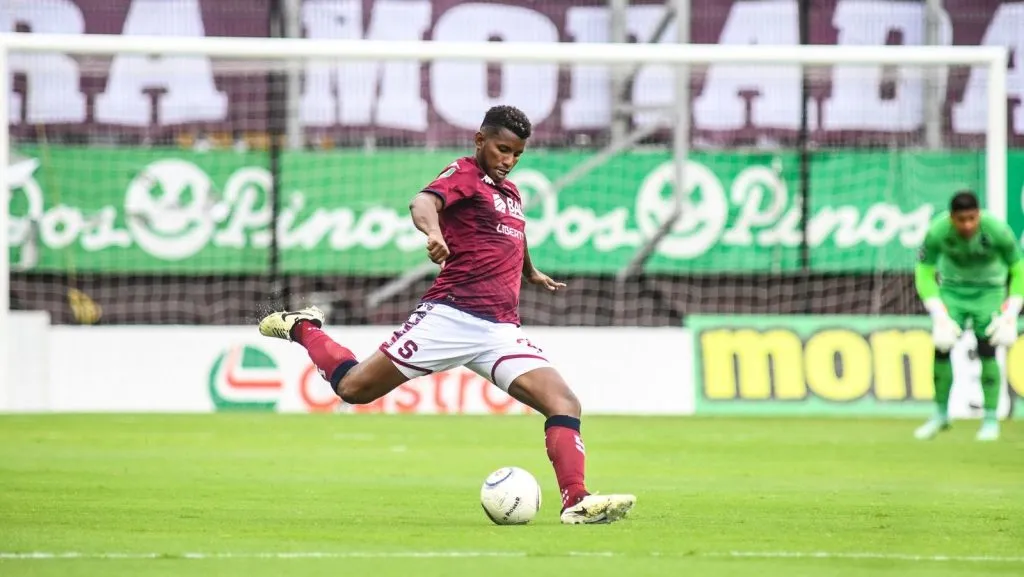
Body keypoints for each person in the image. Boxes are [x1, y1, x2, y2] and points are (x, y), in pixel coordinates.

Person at [258, 105, 636, 524]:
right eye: (502, 149)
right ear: (480, 141)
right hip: (451, 316)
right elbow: (422, 202)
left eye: (517, 154)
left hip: (499, 331)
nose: (508, 160)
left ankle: (576, 501)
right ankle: (303, 326)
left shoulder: (510, 194)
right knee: (353, 388)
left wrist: (530, 271)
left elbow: (515, 234)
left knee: (564, 402)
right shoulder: (463, 174)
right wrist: (434, 233)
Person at [914, 190, 1023, 441]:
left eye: (972, 219)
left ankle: (990, 420)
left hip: (989, 292)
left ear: (978, 214)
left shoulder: (996, 230)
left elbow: (1018, 269)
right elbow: (924, 271)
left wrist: (1012, 311)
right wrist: (938, 312)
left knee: (988, 349)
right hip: (952, 291)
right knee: (941, 346)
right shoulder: (937, 231)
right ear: (952, 218)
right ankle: (941, 415)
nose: (967, 225)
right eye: (961, 220)